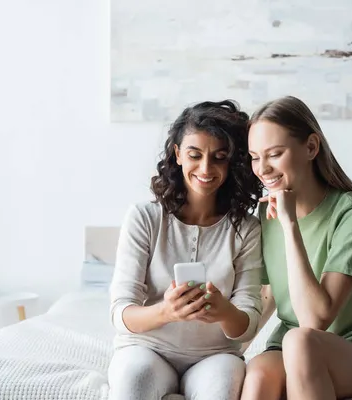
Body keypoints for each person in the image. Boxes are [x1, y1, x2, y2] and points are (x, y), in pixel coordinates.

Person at [240, 96, 352, 400]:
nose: (262, 169)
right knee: (258, 375)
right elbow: (269, 295)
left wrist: (289, 225)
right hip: (290, 346)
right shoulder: (264, 215)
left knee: (301, 341)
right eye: (254, 156)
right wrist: (225, 350)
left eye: (275, 154)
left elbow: (315, 320)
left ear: (311, 147)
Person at [108, 100, 264, 400]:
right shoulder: (145, 217)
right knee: (134, 380)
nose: (206, 169)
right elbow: (120, 311)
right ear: (178, 154)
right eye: (195, 155)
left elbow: (247, 324)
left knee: (220, 390)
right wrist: (166, 312)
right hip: (145, 348)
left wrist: (224, 311)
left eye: (219, 158)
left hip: (214, 356)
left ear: (232, 163)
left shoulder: (247, 229)